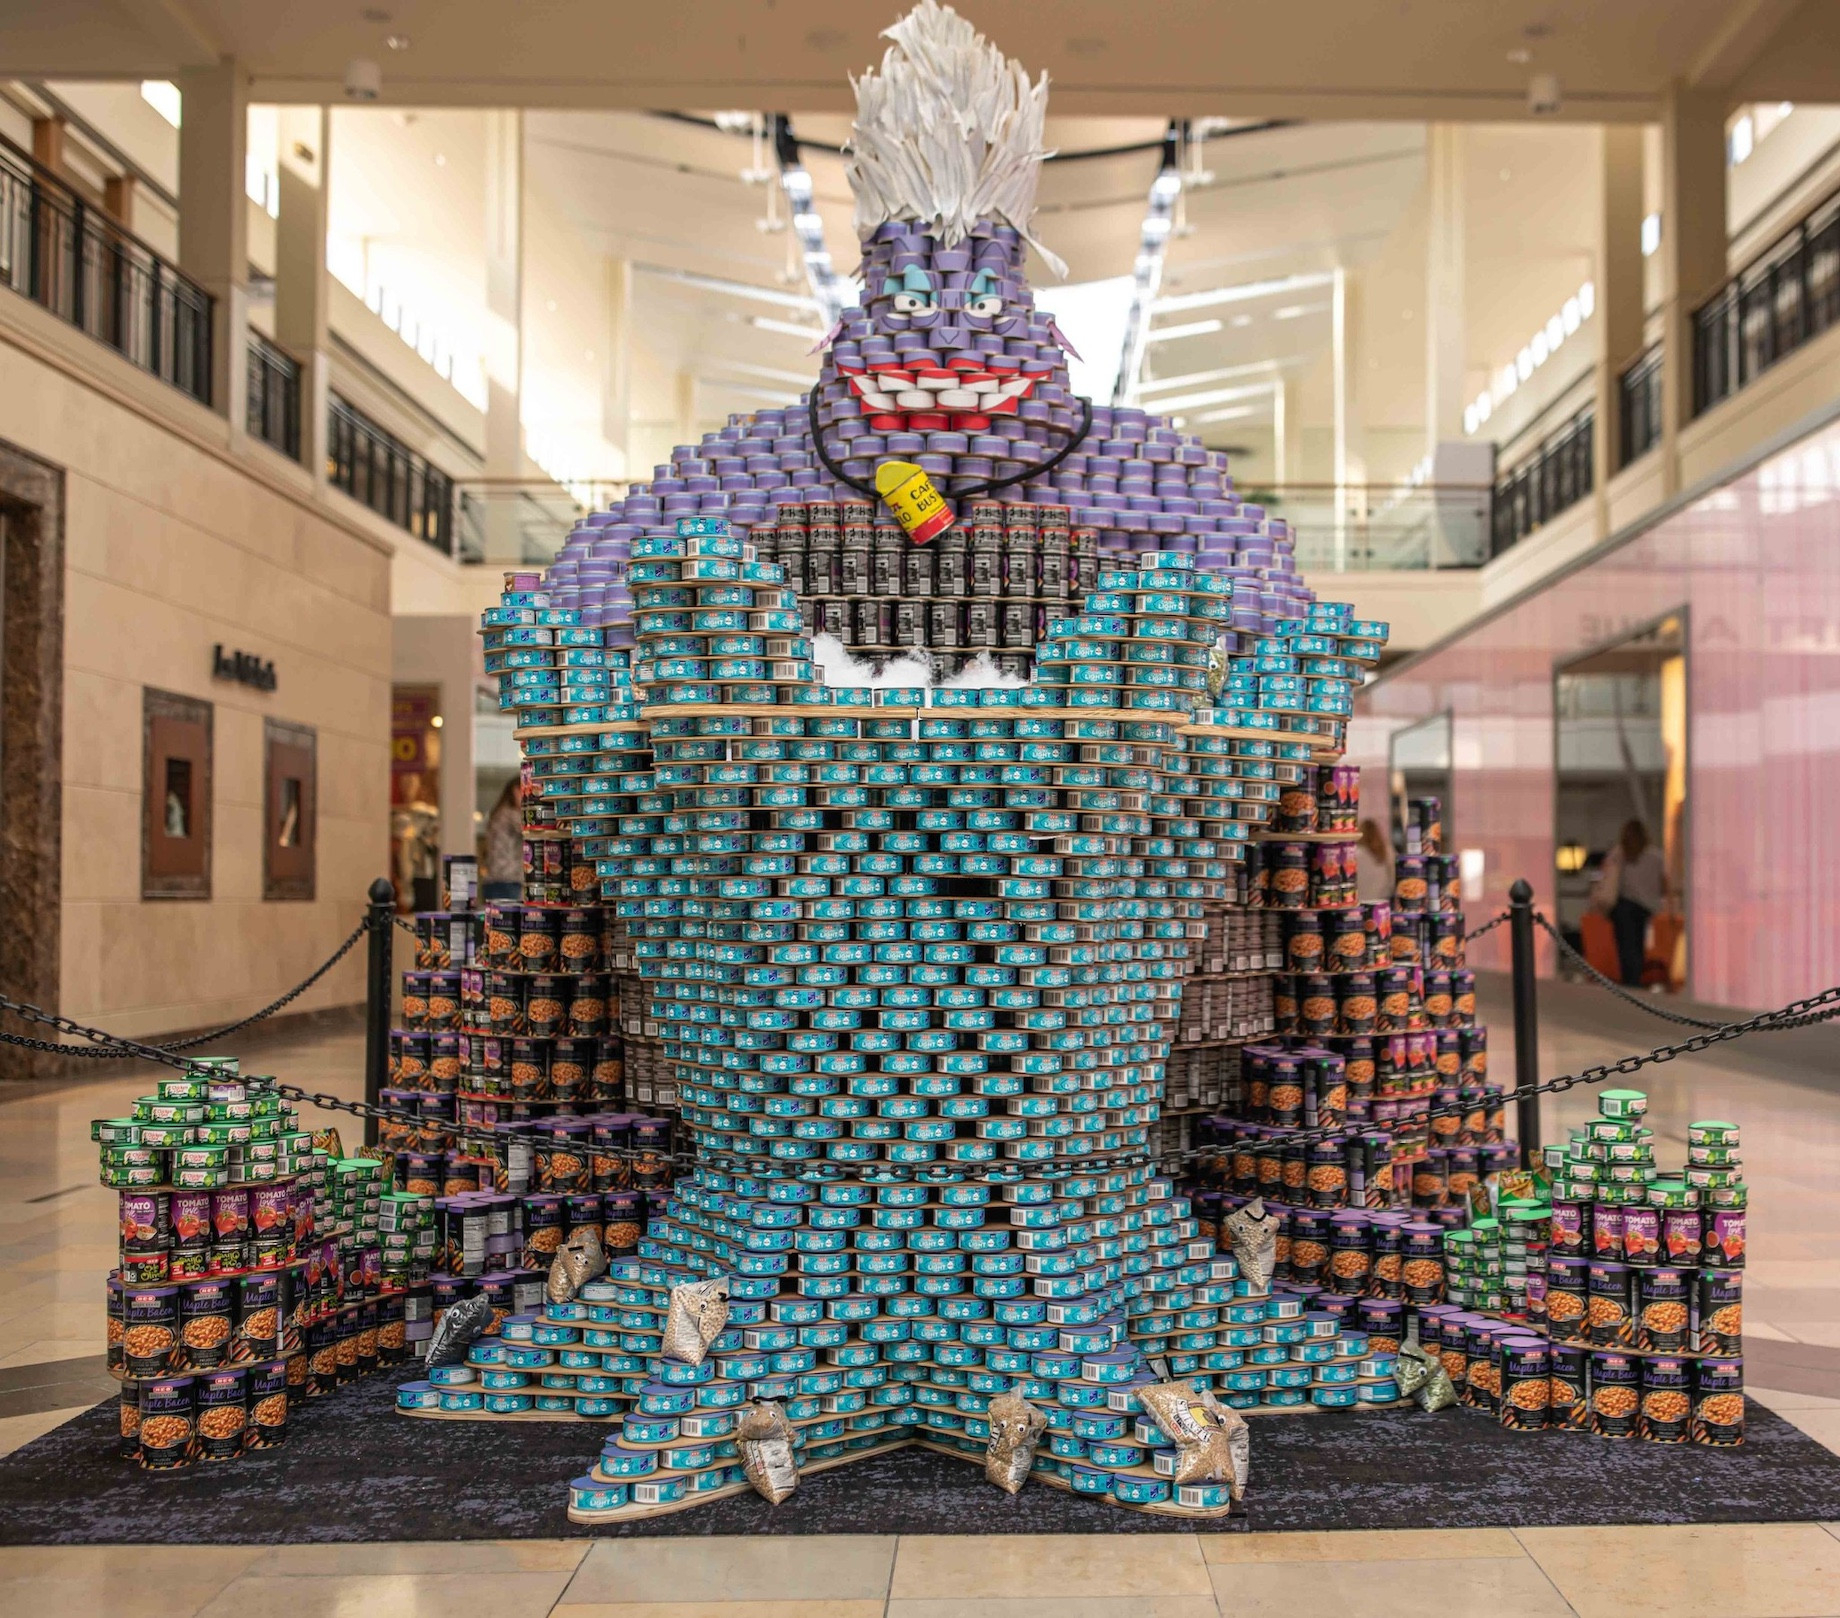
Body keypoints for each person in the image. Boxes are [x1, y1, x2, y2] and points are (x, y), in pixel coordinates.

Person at [1597, 818, 1668, 987]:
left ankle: (1630, 981)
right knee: (1638, 945)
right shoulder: (1657, 857)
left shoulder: (1619, 854)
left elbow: (1606, 876)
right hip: (1645, 908)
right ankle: (1635, 979)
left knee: (1625, 946)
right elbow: (1664, 885)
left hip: (1624, 906)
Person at [482, 778, 524, 901]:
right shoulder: (510, 815)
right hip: (507, 879)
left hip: (495, 879)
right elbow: (532, 830)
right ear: (516, 791)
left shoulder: (499, 813)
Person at [1355, 817, 1393, 903]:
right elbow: (1391, 882)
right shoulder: (1386, 852)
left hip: (1359, 901)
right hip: (1381, 901)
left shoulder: (1355, 854)